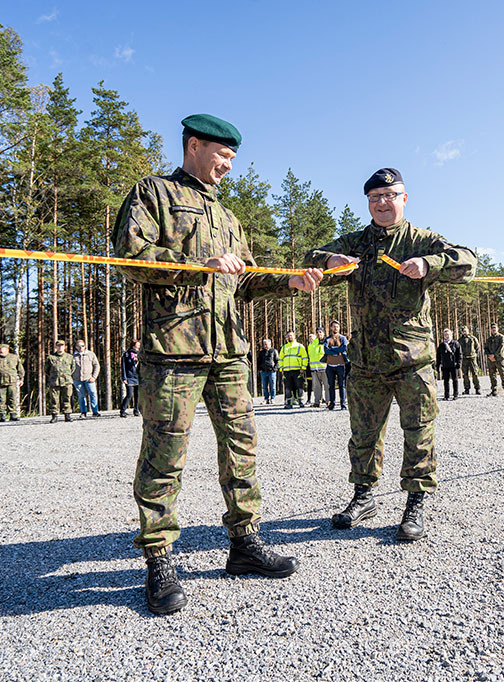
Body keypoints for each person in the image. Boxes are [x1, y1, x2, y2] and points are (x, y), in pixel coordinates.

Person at [112, 113, 323, 615]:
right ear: (194, 146)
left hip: (229, 351)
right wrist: (195, 266)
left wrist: (289, 282)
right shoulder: (153, 193)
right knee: (164, 455)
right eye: (223, 155)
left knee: (241, 449)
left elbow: (243, 280)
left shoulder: (228, 218)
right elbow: (129, 256)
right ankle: (159, 557)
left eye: (232, 157)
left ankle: (245, 543)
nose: (228, 165)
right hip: (174, 350)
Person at [304, 167, 477, 541]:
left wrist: (430, 264)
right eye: (374, 198)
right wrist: (330, 262)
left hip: (412, 360)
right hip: (366, 361)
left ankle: (415, 502)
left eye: (389, 196)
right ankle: (363, 496)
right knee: (363, 434)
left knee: (418, 432)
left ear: (404, 198)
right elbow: (310, 256)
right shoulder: (357, 243)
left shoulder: (421, 241)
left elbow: (468, 261)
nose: (382, 203)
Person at [0, 344, 25, 422]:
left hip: (12, 381)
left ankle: (13, 414)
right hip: (0, 382)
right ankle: (2, 415)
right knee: (1, 399)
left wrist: (21, 379)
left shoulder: (14, 357)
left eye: (1, 349)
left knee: (12, 398)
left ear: (7, 349)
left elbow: (20, 369)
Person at [46, 340, 75, 422]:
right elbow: (46, 369)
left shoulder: (70, 357)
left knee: (67, 398)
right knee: (54, 400)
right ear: (55, 347)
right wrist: (53, 376)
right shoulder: (50, 357)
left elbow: (73, 368)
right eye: (58, 346)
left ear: (65, 347)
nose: (60, 347)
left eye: (62, 345)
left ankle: (67, 415)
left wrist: (66, 375)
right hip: (54, 381)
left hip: (67, 381)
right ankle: (54, 416)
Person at [278, 331, 307, 409]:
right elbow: (280, 359)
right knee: (288, 387)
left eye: (291, 335)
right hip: (287, 370)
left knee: (299, 386)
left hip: (297, 369)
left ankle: (300, 401)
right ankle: (289, 403)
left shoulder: (300, 346)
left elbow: (304, 357)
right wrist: (281, 368)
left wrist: (303, 367)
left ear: (294, 336)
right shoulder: (284, 347)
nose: (289, 337)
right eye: (288, 336)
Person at [73, 339, 101, 418]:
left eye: (82, 346)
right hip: (77, 380)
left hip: (89, 379)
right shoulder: (73, 356)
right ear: (76, 347)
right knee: (81, 396)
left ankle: (95, 411)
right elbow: (69, 368)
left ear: (85, 346)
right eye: (79, 346)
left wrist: (94, 377)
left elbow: (97, 366)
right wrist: (72, 378)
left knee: (93, 394)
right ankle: (83, 412)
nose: (81, 347)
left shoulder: (91, 354)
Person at [324, 321, 348, 410]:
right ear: (331, 328)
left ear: (339, 328)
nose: (335, 328)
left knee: (342, 385)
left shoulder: (343, 338)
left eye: (337, 326)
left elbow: (344, 348)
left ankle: (343, 404)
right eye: (334, 326)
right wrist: (338, 350)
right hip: (330, 365)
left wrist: (333, 348)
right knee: (331, 386)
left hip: (340, 365)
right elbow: (326, 350)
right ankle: (332, 403)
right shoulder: (327, 339)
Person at [484, 323, 504, 397]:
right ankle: (494, 390)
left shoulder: (501, 337)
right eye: (492, 328)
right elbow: (485, 348)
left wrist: (494, 355)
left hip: (499, 359)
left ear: (497, 328)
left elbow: (502, 347)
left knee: (503, 374)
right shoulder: (489, 339)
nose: (493, 329)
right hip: (491, 360)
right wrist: (489, 355)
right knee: (492, 375)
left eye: (495, 328)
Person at [436, 329, 462, 401]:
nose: (446, 336)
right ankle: (446, 395)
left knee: (455, 380)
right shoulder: (441, 345)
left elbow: (459, 354)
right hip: (445, 365)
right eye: (445, 335)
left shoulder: (455, 343)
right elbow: (438, 356)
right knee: (446, 381)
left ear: (451, 335)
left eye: (448, 334)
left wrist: (459, 363)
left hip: (454, 365)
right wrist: (437, 365)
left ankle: (455, 394)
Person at [307, 330, 329, 407]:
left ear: (323, 333)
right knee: (316, 387)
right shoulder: (312, 344)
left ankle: (328, 401)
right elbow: (310, 356)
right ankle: (317, 402)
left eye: (320, 332)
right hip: (314, 369)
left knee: (327, 385)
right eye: (317, 332)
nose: (319, 334)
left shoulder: (327, 341)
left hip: (325, 368)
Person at [458, 325, 482, 395]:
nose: (464, 332)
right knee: (465, 375)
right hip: (464, 359)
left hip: (472, 358)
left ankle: (477, 388)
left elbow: (477, 347)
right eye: (463, 331)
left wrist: (475, 355)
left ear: (468, 331)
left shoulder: (473, 338)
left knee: (475, 373)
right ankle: (467, 389)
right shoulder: (460, 340)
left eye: (465, 331)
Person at [120, 340, 141, 418]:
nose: (139, 346)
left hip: (138, 377)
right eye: (137, 345)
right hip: (129, 377)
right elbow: (123, 367)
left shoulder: (140, 354)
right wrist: (124, 378)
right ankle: (122, 410)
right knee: (129, 394)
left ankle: (136, 410)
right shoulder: (126, 354)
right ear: (133, 345)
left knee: (137, 395)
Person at [257, 338, 278, 405]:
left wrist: (275, 369)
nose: (265, 345)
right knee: (264, 386)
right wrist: (259, 369)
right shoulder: (261, 352)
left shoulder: (274, 351)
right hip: (263, 371)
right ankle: (266, 399)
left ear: (270, 344)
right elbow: (259, 361)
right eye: (264, 344)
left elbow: (277, 361)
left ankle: (272, 398)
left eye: (266, 344)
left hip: (271, 371)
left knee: (273, 386)